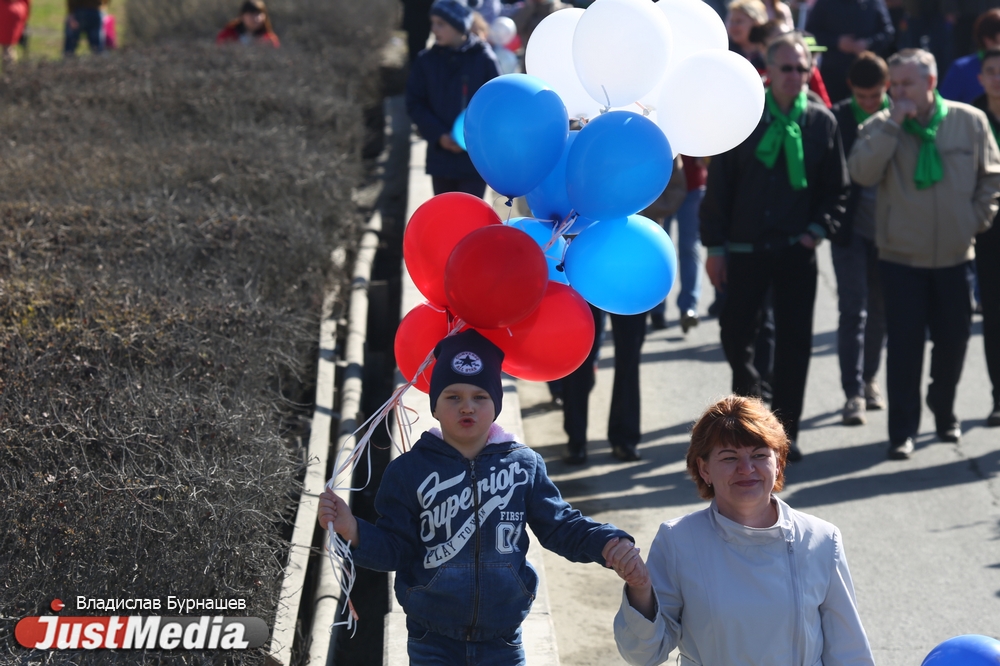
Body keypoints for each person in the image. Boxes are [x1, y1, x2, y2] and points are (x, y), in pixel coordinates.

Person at [317, 329, 640, 664]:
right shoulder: (408, 471)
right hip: (432, 640)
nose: (466, 407)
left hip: (502, 639)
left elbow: (560, 526)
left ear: (497, 404)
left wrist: (607, 543)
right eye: (453, 397)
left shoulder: (523, 466)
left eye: (480, 397)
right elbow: (396, 550)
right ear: (435, 408)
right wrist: (353, 529)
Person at [613, 395, 875, 666]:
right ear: (704, 469)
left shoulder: (820, 539)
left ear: (779, 462)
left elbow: (848, 651)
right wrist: (641, 592)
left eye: (760, 455)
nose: (746, 469)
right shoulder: (679, 541)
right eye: (729, 457)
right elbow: (643, 654)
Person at [700, 32, 850, 462]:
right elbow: (720, 187)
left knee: (793, 344)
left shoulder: (821, 121)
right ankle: (753, 419)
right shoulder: (745, 116)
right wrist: (714, 247)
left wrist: (816, 232)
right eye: (787, 68)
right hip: (746, 249)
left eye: (804, 68)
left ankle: (784, 435)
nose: (797, 76)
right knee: (736, 336)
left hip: (794, 250)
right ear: (769, 70)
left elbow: (836, 191)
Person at [848, 48, 1000, 459]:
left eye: (906, 84)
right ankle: (902, 431)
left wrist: (975, 220)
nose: (897, 92)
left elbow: (991, 177)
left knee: (952, 344)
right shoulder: (881, 124)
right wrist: (893, 126)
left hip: (955, 256)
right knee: (904, 348)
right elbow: (860, 172)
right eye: (893, 84)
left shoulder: (969, 121)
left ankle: (945, 410)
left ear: (930, 83)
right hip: (902, 259)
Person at [829, 52, 891, 426]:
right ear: (851, 89)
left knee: (880, 312)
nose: (869, 104)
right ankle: (852, 392)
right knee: (853, 310)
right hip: (849, 230)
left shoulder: (898, 118)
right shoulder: (838, 118)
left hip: (889, 231)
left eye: (876, 96)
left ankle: (870, 379)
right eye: (862, 97)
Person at [406, 0, 501, 198]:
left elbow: (497, 104)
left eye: (441, 24)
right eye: (432, 23)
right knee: (446, 220)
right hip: (440, 159)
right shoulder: (426, 61)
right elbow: (415, 103)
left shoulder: (484, 59)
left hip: (475, 161)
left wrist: (471, 138)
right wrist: (440, 135)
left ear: (459, 27)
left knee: (472, 220)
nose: (433, 29)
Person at [561, 306, 647, 464]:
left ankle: (625, 438)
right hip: (586, 282)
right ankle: (576, 439)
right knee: (580, 351)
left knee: (629, 357)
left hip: (632, 283)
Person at [969, 48, 1000, 426]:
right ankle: (998, 397)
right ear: (980, 77)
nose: (997, 78)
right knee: (994, 317)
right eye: (990, 71)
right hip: (988, 232)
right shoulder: (972, 120)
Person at [804, 0, 895, 104]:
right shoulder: (825, 3)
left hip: (869, 75)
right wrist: (837, 42)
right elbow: (810, 34)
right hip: (834, 75)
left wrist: (868, 43)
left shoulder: (874, 2)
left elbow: (888, 32)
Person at [939, 9, 1000, 102]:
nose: (997, 79)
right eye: (991, 72)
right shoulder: (961, 69)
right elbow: (945, 107)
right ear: (988, 40)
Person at [727, 0, 769, 71]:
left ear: (756, 22)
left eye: (739, 21)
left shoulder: (769, 53)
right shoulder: (726, 52)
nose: (732, 26)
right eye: (731, 21)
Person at [0, 0, 29, 66]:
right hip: (16, 11)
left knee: (7, 47)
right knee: (8, 47)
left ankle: (9, 71)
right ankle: (10, 72)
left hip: (6, 9)